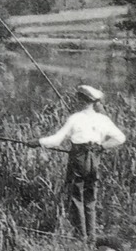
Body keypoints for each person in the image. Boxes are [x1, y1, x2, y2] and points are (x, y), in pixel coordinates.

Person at [38, 84, 126, 240]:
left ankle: (81, 237)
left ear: (80, 99)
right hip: (95, 160)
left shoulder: (75, 118)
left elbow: (56, 140)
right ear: (93, 102)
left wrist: (38, 141)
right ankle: (91, 236)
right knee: (90, 198)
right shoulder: (103, 119)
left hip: (78, 159)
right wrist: (101, 147)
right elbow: (120, 138)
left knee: (76, 197)